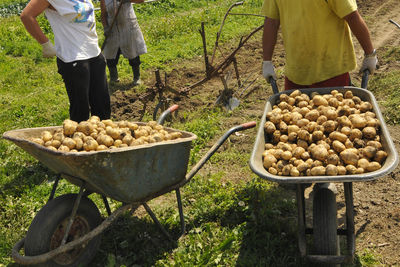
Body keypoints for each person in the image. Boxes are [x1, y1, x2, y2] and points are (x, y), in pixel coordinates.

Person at [20, 0, 111, 123]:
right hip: (73, 58)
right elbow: (27, 16)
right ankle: (76, 140)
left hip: (94, 54)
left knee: (103, 108)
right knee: (80, 111)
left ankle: (103, 140)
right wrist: (45, 43)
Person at [261, 0, 378, 90]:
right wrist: (267, 61)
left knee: (333, 116)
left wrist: (370, 54)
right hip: (296, 72)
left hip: (331, 72)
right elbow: (271, 21)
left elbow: (352, 16)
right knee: (293, 116)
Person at [100, 0, 147, 85]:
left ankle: (137, 77)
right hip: (112, 29)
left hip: (128, 26)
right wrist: (106, 27)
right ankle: (114, 78)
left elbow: (141, 0)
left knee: (133, 52)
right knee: (110, 54)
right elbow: (103, 14)